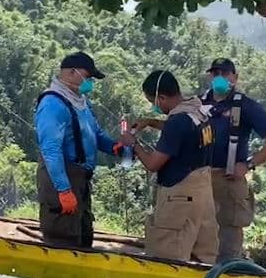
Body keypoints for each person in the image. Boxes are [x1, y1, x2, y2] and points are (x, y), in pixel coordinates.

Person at [120, 70, 218, 263]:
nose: (154, 106)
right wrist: (151, 122)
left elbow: (153, 164)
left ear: (161, 98)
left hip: (180, 196)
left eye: (153, 102)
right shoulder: (198, 110)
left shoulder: (177, 123)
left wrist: (133, 143)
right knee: (202, 256)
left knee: (168, 255)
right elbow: (184, 131)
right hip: (203, 192)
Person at [202, 58, 266, 260]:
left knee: (228, 238)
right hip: (199, 178)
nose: (219, 78)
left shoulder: (245, 106)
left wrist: (248, 164)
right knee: (197, 232)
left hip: (228, 180)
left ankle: (227, 271)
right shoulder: (199, 103)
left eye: (225, 73)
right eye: (215, 74)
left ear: (235, 77)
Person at [35, 51, 122, 248]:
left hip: (81, 179)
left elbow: (95, 133)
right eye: (88, 76)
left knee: (83, 234)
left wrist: (114, 147)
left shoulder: (81, 101)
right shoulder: (52, 104)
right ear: (72, 73)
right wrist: (64, 190)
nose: (90, 82)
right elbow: (51, 150)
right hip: (62, 177)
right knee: (63, 238)